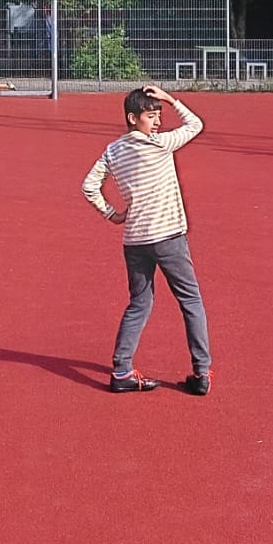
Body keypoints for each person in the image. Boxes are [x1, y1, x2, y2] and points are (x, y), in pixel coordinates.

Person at [80, 85, 211, 396]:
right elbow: (196, 125)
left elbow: (89, 186)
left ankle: (122, 370)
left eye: (159, 116)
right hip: (168, 237)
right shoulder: (160, 144)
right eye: (151, 116)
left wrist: (111, 213)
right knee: (191, 301)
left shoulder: (113, 150)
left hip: (136, 240)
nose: (157, 122)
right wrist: (170, 98)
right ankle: (201, 372)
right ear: (133, 117)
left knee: (140, 303)